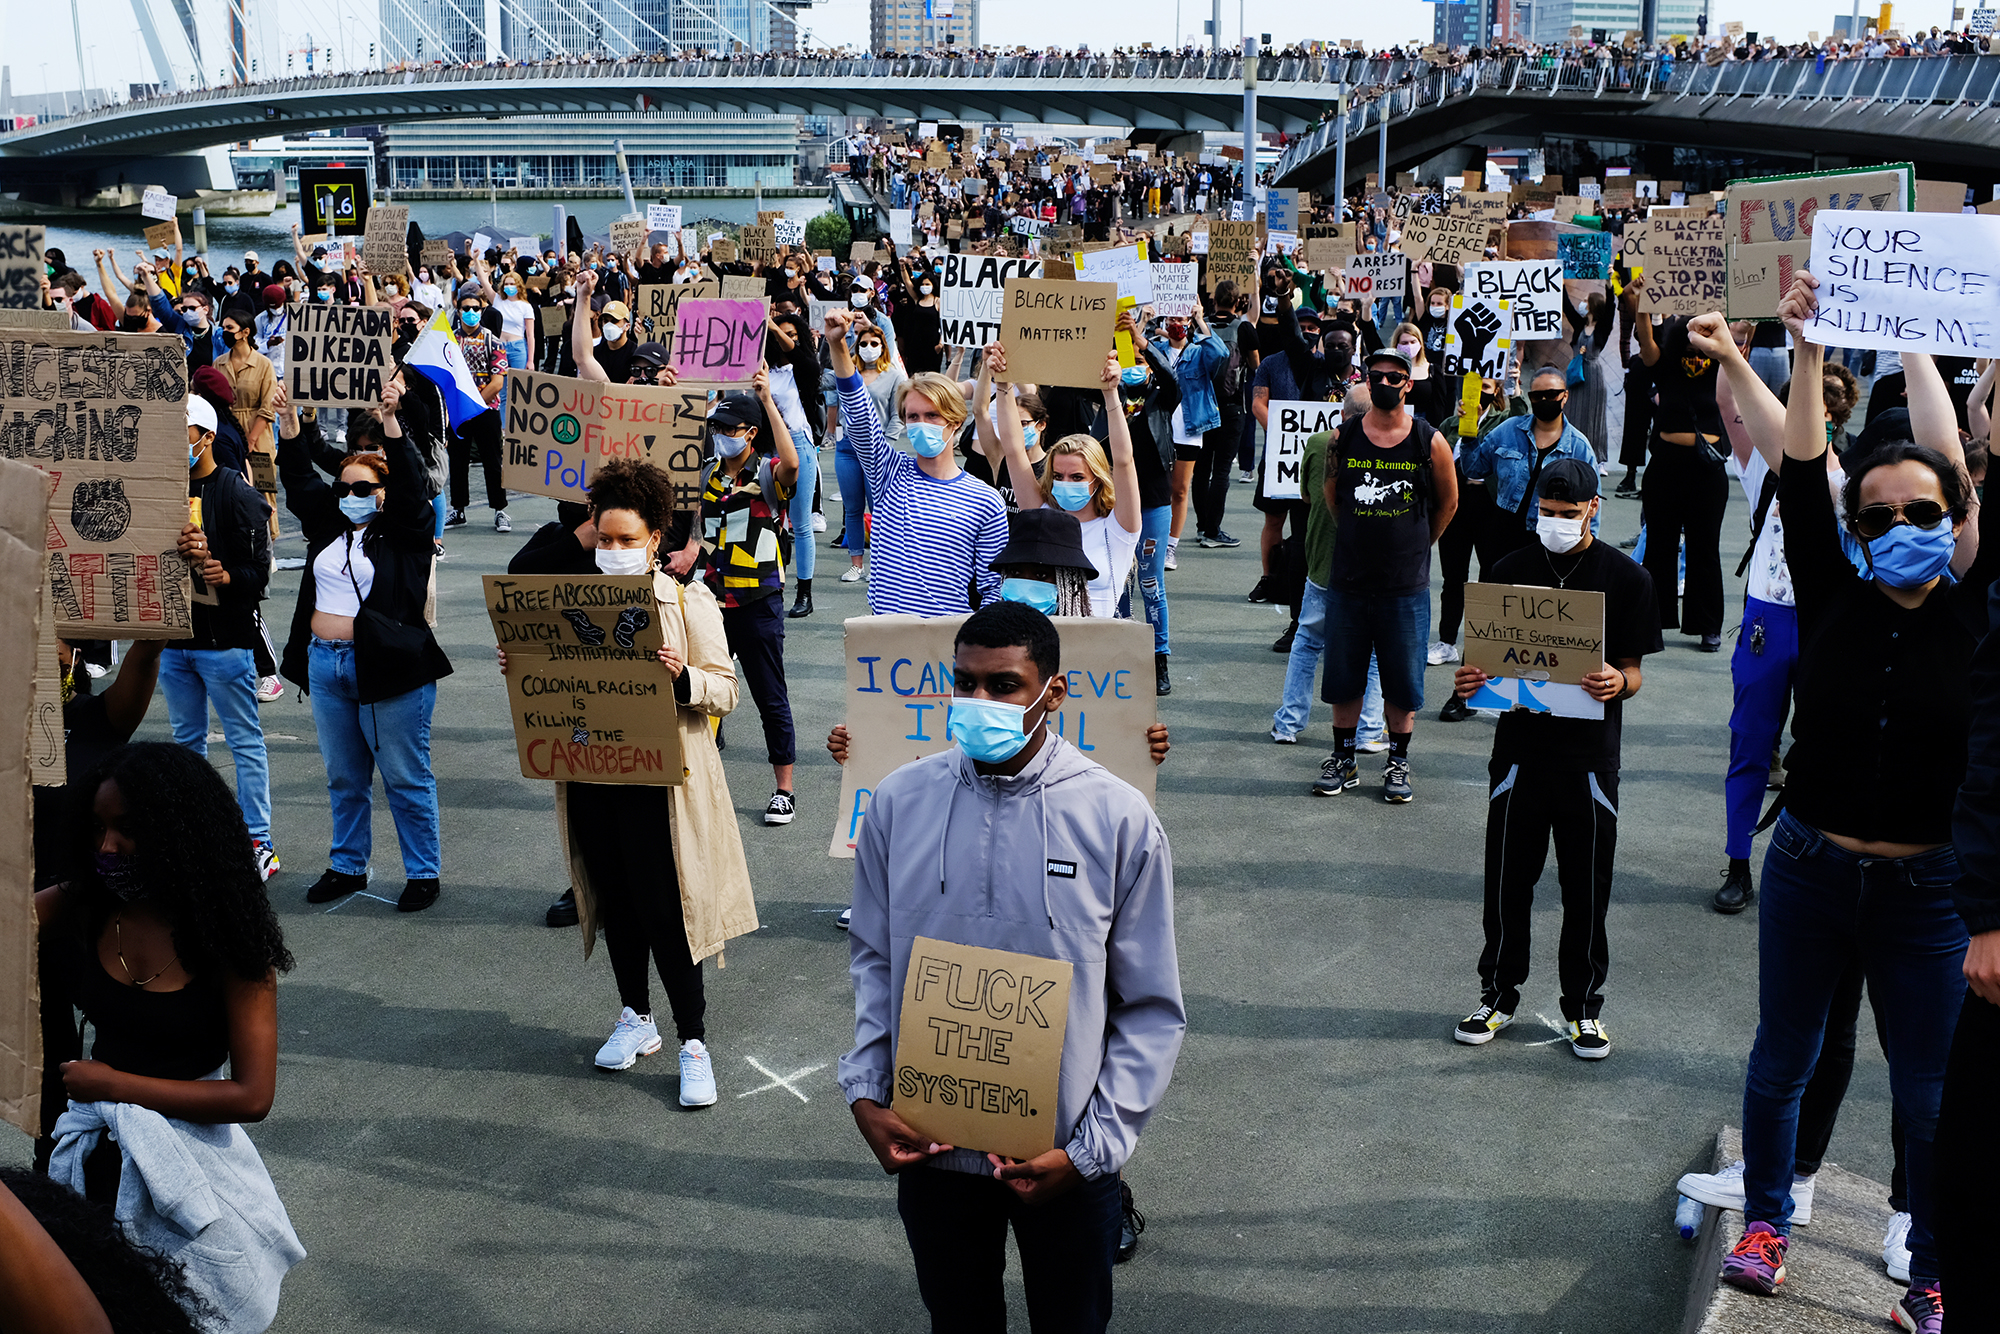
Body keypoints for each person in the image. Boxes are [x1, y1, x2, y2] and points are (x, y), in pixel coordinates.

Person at [1712, 274, 1994, 1334]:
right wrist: (1805, 348)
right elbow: (1798, 466)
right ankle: (1766, 1225)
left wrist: (1920, 341)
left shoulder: (1975, 613)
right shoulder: (1827, 583)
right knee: (1781, 1057)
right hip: (1809, 871)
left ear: (1955, 516)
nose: (1901, 523)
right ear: (1854, 527)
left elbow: (1956, 452)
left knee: (1929, 1091)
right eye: (1879, 514)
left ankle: (1933, 1269)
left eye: (1923, 510)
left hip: (1929, 895)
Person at [840, 602, 1185, 1333]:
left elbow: (1151, 1007)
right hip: (932, 1151)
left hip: (1064, 1159)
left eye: (1003, 686)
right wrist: (866, 1092)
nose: (979, 702)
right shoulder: (900, 801)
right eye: (963, 683)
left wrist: (1092, 1150)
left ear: (1052, 693)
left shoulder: (1118, 818)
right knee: (958, 1320)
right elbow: (875, 959)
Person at [498, 460, 757, 1103]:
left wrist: (683, 679)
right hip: (592, 774)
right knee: (615, 902)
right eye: (604, 537)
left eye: (627, 539)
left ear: (656, 537)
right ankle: (636, 1018)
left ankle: (693, 1041)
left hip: (663, 786)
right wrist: (520, 663)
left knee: (669, 910)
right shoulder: (567, 601)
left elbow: (726, 690)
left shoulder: (687, 599)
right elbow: (526, 595)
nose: (613, 549)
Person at [36, 743, 307, 1329]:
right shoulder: (85, 903)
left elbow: (251, 1097)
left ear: (182, 835)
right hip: (95, 1155)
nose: (108, 848)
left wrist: (115, 1086)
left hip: (188, 1163)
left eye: (128, 830)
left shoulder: (232, 940)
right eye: (97, 829)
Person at [1448, 459, 1660, 1058]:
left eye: (1569, 513)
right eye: (1547, 512)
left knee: (1586, 890)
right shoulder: (1508, 571)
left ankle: (1584, 1009)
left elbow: (1635, 671)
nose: (1556, 522)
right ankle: (1497, 995)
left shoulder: (1628, 578)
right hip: (1519, 755)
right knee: (1506, 883)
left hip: (1589, 762)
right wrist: (1469, 682)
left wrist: (1618, 681)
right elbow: (1483, 662)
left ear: (1594, 507)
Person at [276, 374, 452, 913]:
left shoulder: (407, 530)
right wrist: (290, 426)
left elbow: (412, 487)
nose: (349, 497)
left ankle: (422, 872)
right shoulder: (329, 527)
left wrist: (393, 421)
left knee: (404, 776)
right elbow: (299, 480)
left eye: (362, 489)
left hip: (389, 669)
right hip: (325, 667)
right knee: (344, 777)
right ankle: (348, 864)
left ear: (383, 492)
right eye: (343, 488)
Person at [1314, 347, 1458, 803]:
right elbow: (1333, 497)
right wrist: (1360, 538)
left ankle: (1398, 760)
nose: (1384, 383)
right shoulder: (1343, 437)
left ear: (1408, 385)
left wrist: (1416, 544)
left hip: (1404, 586)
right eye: (1375, 375)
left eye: (1394, 377)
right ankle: (1344, 758)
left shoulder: (1429, 441)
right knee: (1343, 674)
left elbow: (1448, 502)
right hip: (1349, 581)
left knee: (1403, 679)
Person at [825, 307, 1007, 616]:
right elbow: (859, 414)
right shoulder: (888, 472)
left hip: (950, 635)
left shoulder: (986, 500)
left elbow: (993, 587)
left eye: (932, 415)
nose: (921, 423)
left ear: (955, 421)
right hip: (887, 633)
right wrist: (838, 345)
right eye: (913, 416)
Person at [162, 397, 277, 882]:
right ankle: (194, 834)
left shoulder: (235, 493)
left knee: (244, 741)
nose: (174, 442)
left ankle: (259, 841)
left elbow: (260, 574)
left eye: (183, 431)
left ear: (207, 437)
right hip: (172, 644)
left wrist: (225, 574)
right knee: (186, 744)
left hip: (226, 644)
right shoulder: (160, 490)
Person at [699, 382, 803, 825]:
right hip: (710, 599)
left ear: (751, 433)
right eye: (717, 428)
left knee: (769, 696)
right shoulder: (707, 473)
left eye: (729, 429)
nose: (721, 435)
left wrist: (767, 402)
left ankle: (784, 790)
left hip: (758, 599)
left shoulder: (768, 473)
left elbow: (793, 465)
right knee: (700, 692)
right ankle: (699, 783)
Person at [1271, 395, 1388, 752]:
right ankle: (1368, 730)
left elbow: (1307, 497)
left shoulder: (1320, 442)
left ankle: (1288, 722)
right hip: (1370, 570)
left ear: (1341, 413)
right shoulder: (1391, 447)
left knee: (1307, 642)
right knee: (1372, 653)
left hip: (1323, 563)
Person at [994, 348, 1143, 625]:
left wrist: (1110, 394)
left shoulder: (1118, 529)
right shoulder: (1041, 515)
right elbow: (1013, 450)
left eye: (1076, 477)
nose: (1065, 483)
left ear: (1098, 480)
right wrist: (1003, 385)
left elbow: (1124, 461)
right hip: (1039, 639)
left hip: (1095, 644)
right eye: (1058, 476)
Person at [1628, 281, 1727, 650]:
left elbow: (1740, 333)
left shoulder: (1722, 360)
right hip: (1666, 465)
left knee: (1705, 546)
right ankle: (1655, 620)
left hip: (1707, 469)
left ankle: (1708, 626)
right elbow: (1645, 339)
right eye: (1690, 329)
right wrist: (1642, 301)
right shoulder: (1663, 362)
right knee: (1660, 544)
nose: (1696, 335)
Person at [830, 319, 906, 582]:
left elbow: (898, 415)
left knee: (879, 509)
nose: (869, 348)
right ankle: (856, 564)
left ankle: (882, 565)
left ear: (883, 346)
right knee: (852, 509)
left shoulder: (894, 376)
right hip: (846, 449)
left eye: (874, 343)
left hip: (877, 450)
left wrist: (887, 443)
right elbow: (823, 383)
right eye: (863, 343)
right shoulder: (847, 373)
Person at [1152, 305, 1228, 562]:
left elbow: (1221, 354)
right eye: (1171, 318)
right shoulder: (1156, 349)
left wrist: (1200, 320)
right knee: (1156, 489)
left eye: (1181, 318)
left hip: (1188, 430)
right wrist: (1143, 320)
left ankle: (1170, 547)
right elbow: (1132, 354)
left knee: (1180, 490)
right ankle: (1153, 541)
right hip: (1158, 429)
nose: (1176, 323)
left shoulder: (1198, 352)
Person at [444, 287, 510, 533]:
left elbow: (498, 382)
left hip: (486, 409)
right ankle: (458, 509)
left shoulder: (493, 341)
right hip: (458, 411)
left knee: (493, 461)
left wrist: (474, 404)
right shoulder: (449, 341)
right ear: (458, 310)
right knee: (457, 461)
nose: (471, 312)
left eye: (476, 308)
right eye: (466, 308)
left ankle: (500, 509)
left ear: (482, 311)